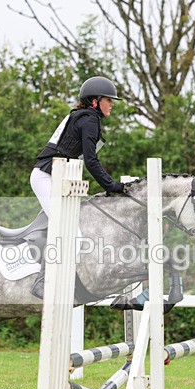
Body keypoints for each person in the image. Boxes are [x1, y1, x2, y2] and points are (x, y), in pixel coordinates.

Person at [29, 76, 126, 298]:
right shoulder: (89, 120)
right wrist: (111, 186)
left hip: (56, 177)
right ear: (95, 101)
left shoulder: (83, 117)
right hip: (46, 177)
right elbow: (91, 161)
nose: (112, 104)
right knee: (69, 231)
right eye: (108, 100)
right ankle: (41, 281)